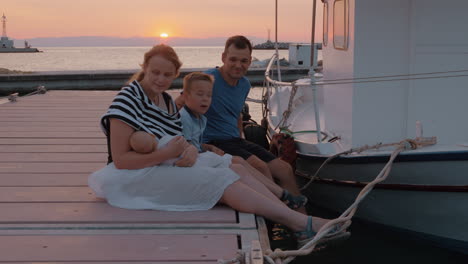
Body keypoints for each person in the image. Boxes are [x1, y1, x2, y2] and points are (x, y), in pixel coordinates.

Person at [88, 44, 347, 247]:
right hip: (133, 176)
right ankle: (301, 223)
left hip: (164, 163)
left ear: (175, 75)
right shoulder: (128, 98)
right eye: (155, 72)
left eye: (168, 75)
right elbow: (121, 160)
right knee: (216, 179)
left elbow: (178, 140)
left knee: (231, 166)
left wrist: (189, 149)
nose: (160, 79)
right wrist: (167, 153)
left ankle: (296, 221)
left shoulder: (166, 101)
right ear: (144, 67)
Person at [193, 35, 307, 213]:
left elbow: (237, 114)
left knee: (284, 169)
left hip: (234, 140)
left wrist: (241, 136)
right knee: (261, 168)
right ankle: (280, 218)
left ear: (250, 61)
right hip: (213, 141)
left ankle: (304, 223)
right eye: (233, 59)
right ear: (223, 58)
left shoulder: (244, 84)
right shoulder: (208, 79)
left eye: (244, 61)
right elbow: (182, 105)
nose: (238, 65)